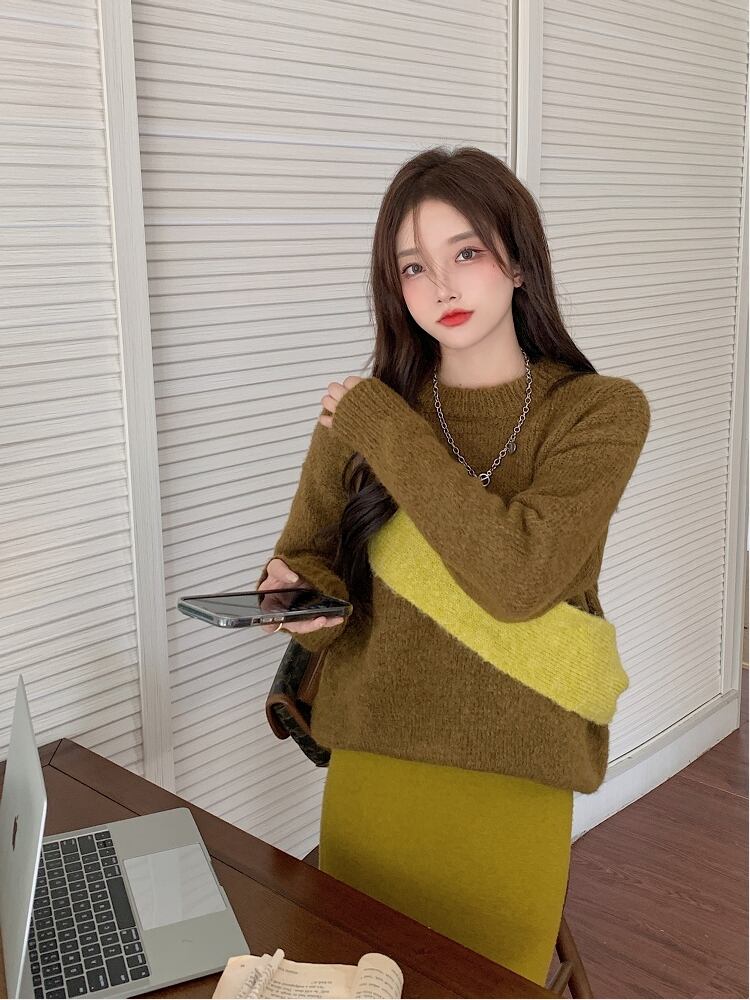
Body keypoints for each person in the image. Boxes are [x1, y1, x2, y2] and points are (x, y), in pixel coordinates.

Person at [255, 145, 651, 988]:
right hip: (373, 760)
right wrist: (300, 604)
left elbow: (518, 579)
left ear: (518, 259)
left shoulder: (598, 411)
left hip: (516, 773)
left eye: (465, 252)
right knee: (359, 979)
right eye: (413, 266)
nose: (440, 286)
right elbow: (309, 556)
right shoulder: (363, 417)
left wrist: (382, 424)